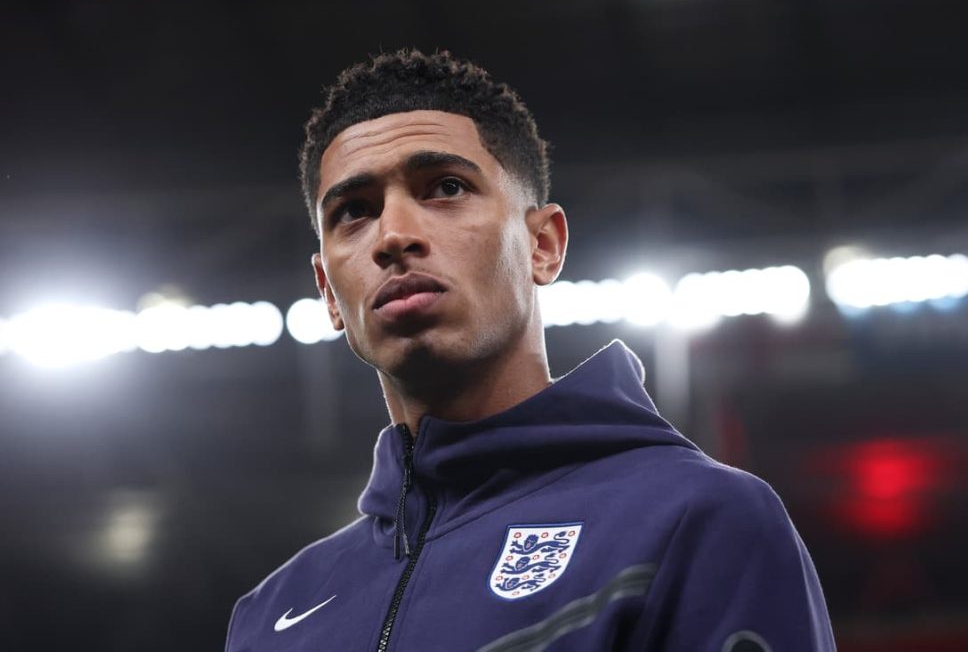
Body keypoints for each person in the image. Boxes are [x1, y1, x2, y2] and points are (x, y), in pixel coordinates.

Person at [225, 49, 835, 652]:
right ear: (328, 292)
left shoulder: (694, 519)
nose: (393, 235)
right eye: (354, 211)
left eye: (445, 187)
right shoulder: (268, 617)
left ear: (542, 245)